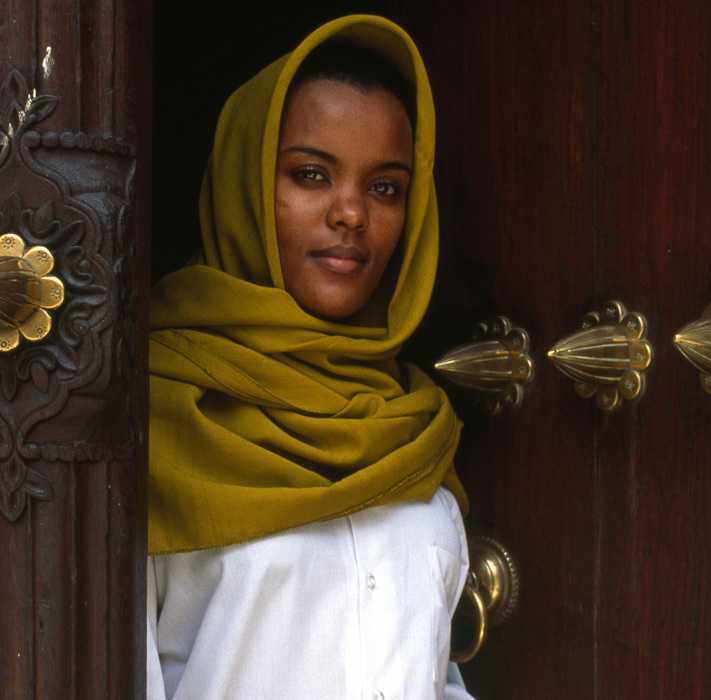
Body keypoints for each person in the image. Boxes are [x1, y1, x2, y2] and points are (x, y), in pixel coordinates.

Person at [147, 15, 473, 700]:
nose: (350, 213)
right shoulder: (164, 414)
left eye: (385, 187)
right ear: (243, 185)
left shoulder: (414, 431)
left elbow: (430, 676)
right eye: (311, 175)